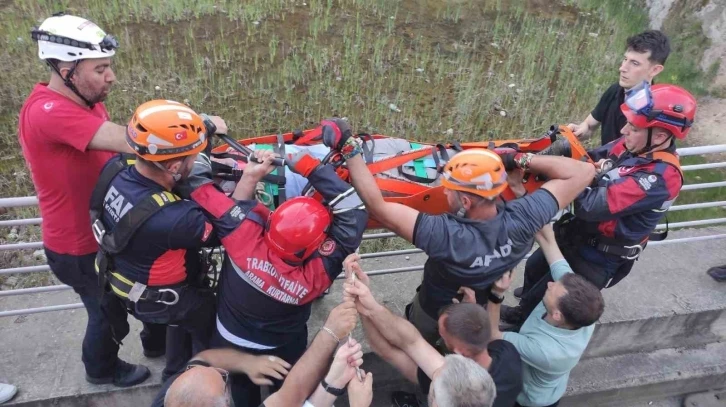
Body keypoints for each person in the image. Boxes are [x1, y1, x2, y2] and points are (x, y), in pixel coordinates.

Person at [319, 118, 596, 346]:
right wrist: (520, 158)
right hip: (481, 305)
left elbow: (378, 207)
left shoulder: (446, 236)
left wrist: (350, 148)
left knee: (419, 339)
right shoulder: (523, 218)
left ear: (465, 202)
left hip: (433, 307)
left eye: (449, 189)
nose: (445, 191)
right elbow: (583, 172)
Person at [172, 135, 367, 406]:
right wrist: (310, 166)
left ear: (271, 221)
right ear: (316, 247)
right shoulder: (316, 277)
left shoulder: (243, 235)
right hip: (285, 348)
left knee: (239, 391)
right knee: (289, 387)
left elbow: (199, 185)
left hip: (228, 341)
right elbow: (354, 212)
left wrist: (247, 172)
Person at [19, 12, 154, 386]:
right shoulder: (50, 112)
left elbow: (113, 152)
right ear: (67, 71)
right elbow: (133, 141)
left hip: (101, 233)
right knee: (105, 313)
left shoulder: (86, 101)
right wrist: (196, 127)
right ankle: (102, 371)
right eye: (101, 69)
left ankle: (155, 339)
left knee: (128, 298)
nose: (111, 77)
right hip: (77, 246)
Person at [504, 82, 696, 326]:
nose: (624, 130)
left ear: (659, 136)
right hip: (575, 234)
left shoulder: (661, 176)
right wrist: (553, 154)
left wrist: (546, 174)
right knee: (533, 268)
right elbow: (589, 160)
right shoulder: (632, 145)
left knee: (550, 300)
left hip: (599, 255)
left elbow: (590, 206)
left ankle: (523, 328)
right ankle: (522, 312)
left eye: (634, 127)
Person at [91, 100, 228, 380]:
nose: (197, 159)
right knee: (207, 322)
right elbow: (226, 228)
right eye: (194, 156)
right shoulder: (174, 217)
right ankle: (186, 378)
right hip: (166, 300)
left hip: (120, 278)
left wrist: (203, 132)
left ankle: (154, 345)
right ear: (175, 165)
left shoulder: (116, 169)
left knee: (166, 308)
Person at [343, 254, 521, 407]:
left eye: (443, 336)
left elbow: (387, 349)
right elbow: (413, 342)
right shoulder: (507, 359)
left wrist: (364, 310)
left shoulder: (445, 386)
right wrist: (370, 306)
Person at [154, 300, 370, 407]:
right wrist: (329, 332)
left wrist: (333, 382)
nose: (222, 369)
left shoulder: (173, 398)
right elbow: (289, 397)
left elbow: (203, 360)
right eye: (223, 378)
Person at [483, 223, 605, 407]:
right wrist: (536, 216)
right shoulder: (580, 307)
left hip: (531, 400)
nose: (549, 284)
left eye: (552, 289)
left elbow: (492, 336)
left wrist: (496, 293)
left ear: (556, 315)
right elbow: (550, 245)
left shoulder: (548, 352)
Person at [568, 30, 671, 146]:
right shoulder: (615, 90)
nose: (622, 68)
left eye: (635, 63)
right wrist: (579, 130)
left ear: (655, 70)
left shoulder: (653, 111)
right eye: (625, 59)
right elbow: (590, 126)